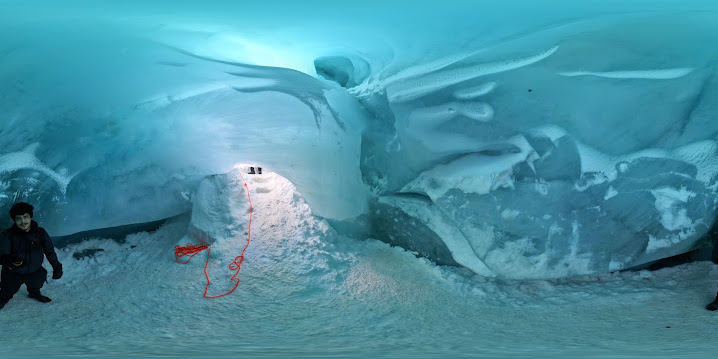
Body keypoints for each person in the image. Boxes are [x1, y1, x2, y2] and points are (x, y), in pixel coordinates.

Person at [0, 202, 63, 310]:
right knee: (6, 290)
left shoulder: (40, 233)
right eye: (19, 218)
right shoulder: (7, 235)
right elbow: (1, 255)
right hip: (13, 272)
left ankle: (34, 292)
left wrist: (56, 266)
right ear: (14, 220)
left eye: (25, 217)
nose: (23, 222)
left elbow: (49, 251)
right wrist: (10, 260)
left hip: (35, 270)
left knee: (36, 283)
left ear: (31, 217)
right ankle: (3, 298)